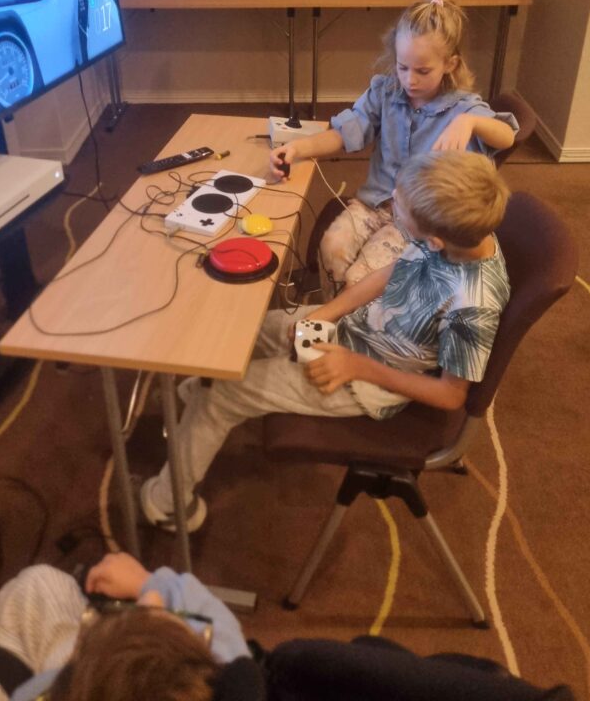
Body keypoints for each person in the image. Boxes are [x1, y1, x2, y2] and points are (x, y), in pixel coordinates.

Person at [141, 150, 511, 532]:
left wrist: (356, 366)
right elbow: (389, 273)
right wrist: (326, 313)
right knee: (244, 329)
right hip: (353, 332)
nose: (392, 204)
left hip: (370, 381)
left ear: (433, 241)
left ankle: (167, 504)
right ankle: (195, 400)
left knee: (224, 395)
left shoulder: (473, 304)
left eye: (399, 209)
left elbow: (451, 395)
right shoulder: (448, 238)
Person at [268, 0, 518, 291]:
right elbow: (343, 134)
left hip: (416, 221)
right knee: (332, 247)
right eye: (402, 67)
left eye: (423, 71)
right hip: (375, 203)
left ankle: (358, 313)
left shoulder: (463, 107)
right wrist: (297, 148)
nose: (410, 80)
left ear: (450, 64)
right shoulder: (386, 92)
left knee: (360, 279)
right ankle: (347, 309)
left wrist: (471, 122)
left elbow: (507, 136)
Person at [0, 552, 256, 701]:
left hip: (45, 689)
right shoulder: (225, 673)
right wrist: (146, 581)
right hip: (74, 678)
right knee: (41, 582)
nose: (151, 600)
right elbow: (213, 618)